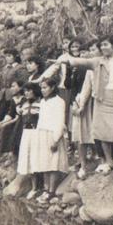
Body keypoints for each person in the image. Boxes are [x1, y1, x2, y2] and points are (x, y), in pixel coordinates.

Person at [57, 35, 113, 184]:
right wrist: (65, 60)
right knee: (101, 133)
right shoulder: (98, 61)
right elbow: (82, 61)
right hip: (102, 100)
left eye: (106, 44)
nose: (103, 48)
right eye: (101, 46)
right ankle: (108, 162)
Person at [34, 76, 69, 204]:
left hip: (53, 134)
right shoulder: (43, 102)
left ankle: (52, 190)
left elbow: (60, 121)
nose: (42, 90)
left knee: (53, 162)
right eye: (41, 88)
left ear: (53, 87)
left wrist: (56, 139)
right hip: (42, 133)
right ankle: (46, 188)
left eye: (45, 87)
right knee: (44, 163)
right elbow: (40, 120)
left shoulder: (59, 102)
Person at [70, 40, 97, 179]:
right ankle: (83, 164)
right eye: (84, 52)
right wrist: (75, 103)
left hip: (94, 101)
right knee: (80, 133)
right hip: (80, 100)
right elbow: (73, 87)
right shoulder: (78, 69)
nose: (86, 54)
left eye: (90, 50)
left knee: (94, 132)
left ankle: (95, 157)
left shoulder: (96, 67)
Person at [16, 82, 43, 199]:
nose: (26, 93)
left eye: (29, 90)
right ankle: (33, 187)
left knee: (37, 157)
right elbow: (20, 116)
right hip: (26, 133)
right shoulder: (24, 104)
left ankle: (40, 187)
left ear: (34, 91)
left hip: (37, 133)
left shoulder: (41, 103)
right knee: (28, 158)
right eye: (25, 91)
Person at [0, 49, 28, 126]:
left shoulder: (20, 68)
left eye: (9, 56)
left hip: (14, 95)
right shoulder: (6, 68)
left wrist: (17, 94)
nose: (7, 58)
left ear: (15, 57)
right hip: (4, 94)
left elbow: (22, 84)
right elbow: (2, 82)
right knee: (0, 115)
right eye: (6, 56)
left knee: (10, 115)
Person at [0, 79, 26, 156]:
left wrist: (6, 123)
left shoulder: (24, 99)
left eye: (13, 86)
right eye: (11, 86)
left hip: (21, 121)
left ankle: (13, 152)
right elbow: (10, 114)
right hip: (15, 119)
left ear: (20, 88)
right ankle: (6, 152)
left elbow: (18, 117)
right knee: (4, 126)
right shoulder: (13, 99)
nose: (11, 88)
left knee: (8, 127)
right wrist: (2, 122)